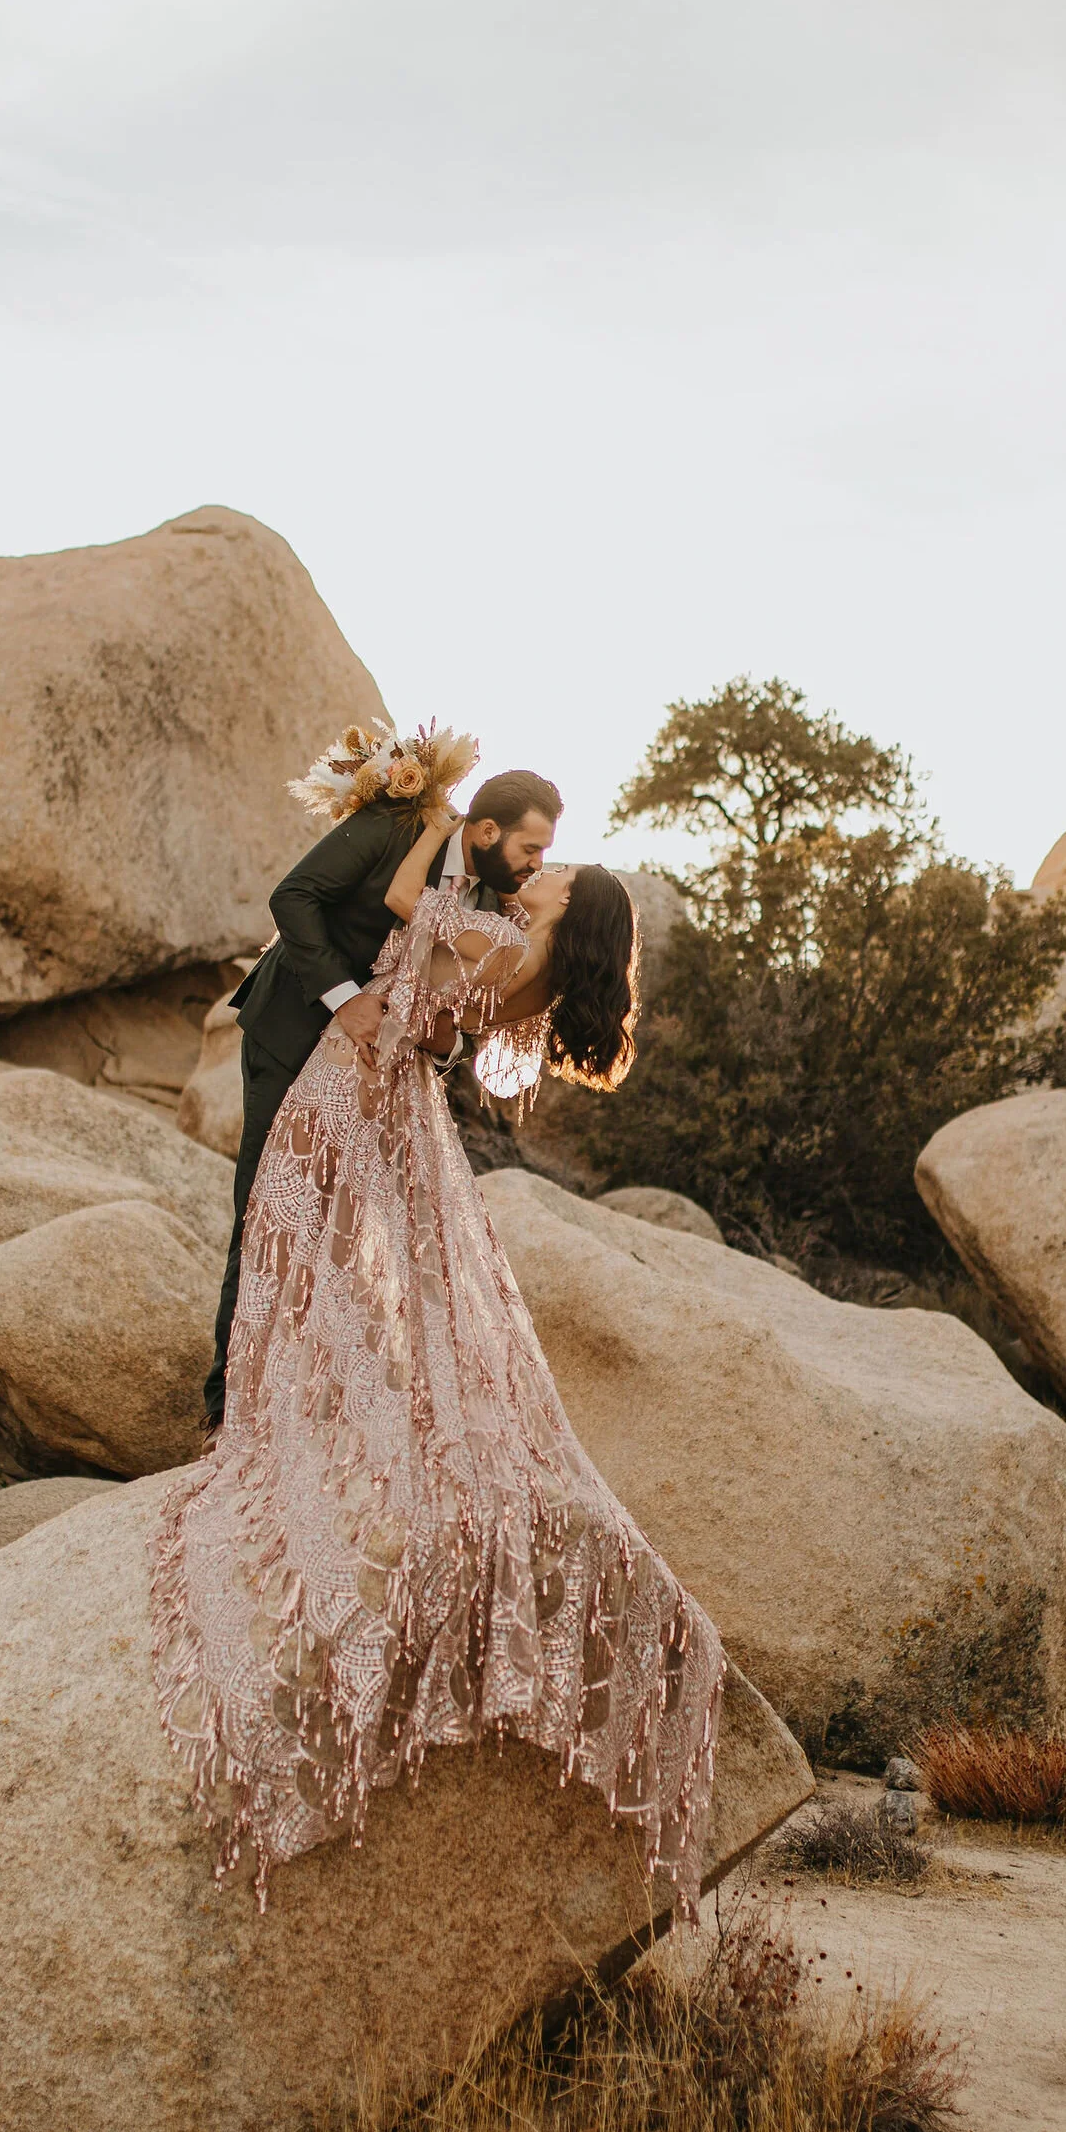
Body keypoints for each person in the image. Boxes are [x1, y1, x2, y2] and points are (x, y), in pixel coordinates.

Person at [153, 797, 726, 1909]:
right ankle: (304, 1403)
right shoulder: (533, 964)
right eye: (542, 856)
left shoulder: (504, 936)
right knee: (368, 1265)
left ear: (573, 909)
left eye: (559, 873)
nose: (544, 872)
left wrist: (428, 821)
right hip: (396, 1097)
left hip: (348, 1082)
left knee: (294, 1243)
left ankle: (268, 1412)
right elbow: (448, 1021)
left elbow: (412, 905)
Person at [202, 766, 563, 1427]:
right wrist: (345, 1001)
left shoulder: (497, 904)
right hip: (292, 1033)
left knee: (344, 1237)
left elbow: (464, 1011)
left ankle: (304, 1398)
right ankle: (225, 1409)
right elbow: (294, 898)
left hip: (377, 1082)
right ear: (486, 830)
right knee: (266, 1217)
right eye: (529, 848)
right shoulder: (397, 827)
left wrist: (441, 1047)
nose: (537, 863)